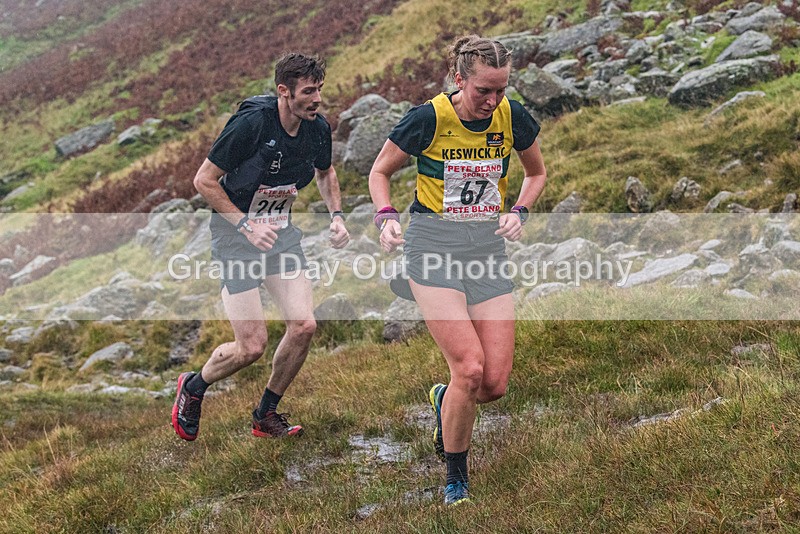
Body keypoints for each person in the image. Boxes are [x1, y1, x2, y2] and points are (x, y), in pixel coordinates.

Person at [368, 35, 547, 505]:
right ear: (458, 78)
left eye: (500, 90)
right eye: (482, 90)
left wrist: (520, 212)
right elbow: (379, 171)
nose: (492, 101)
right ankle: (455, 480)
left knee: (493, 384)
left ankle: (442, 399)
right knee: (469, 368)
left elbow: (536, 174)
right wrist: (385, 217)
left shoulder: (512, 117)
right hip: (432, 247)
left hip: (486, 249)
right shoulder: (429, 118)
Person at [172, 53, 349, 442]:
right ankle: (194, 386)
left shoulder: (317, 128)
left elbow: (325, 171)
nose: (316, 99)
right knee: (250, 346)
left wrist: (336, 216)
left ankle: (265, 414)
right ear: (283, 91)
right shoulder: (252, 123)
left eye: (319, 89)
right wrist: (246, 225)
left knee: (304, 326)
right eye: (307, 91)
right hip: (235, 236)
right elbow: (204, 181)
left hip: (279, 233)